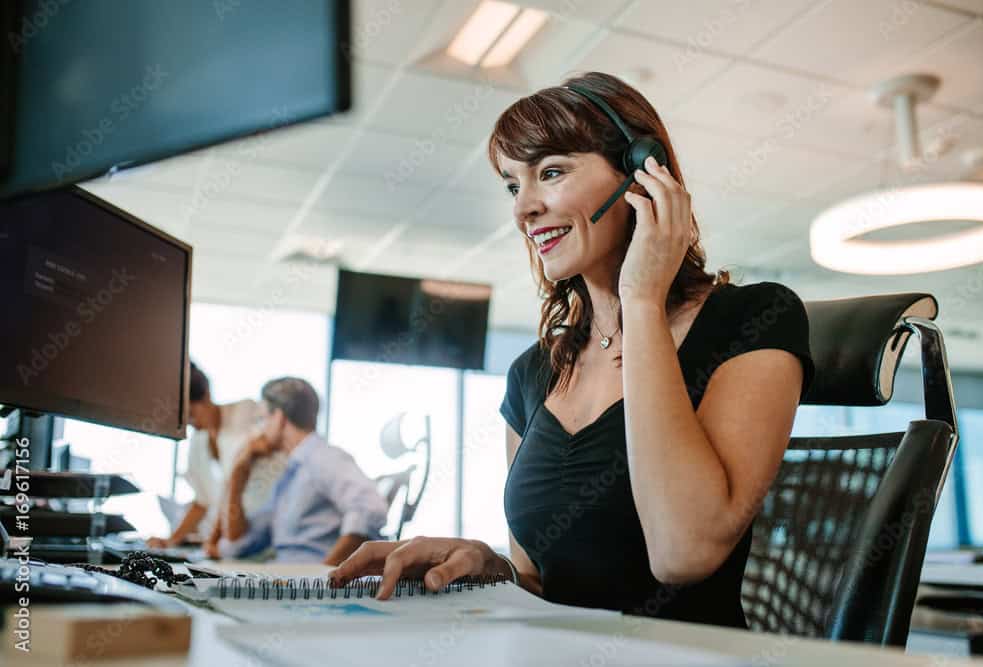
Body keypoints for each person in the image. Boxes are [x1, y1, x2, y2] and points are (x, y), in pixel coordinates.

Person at [331, 71, 814, 629]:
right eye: (514, 185)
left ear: (642, 174)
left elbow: (683, 552)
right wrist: (488, 565)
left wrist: (640, 300)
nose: (523, 210)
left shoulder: (754, 318)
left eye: (551, 172)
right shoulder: (532, 372)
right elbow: (538, 579)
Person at [217, 377, 388, 564]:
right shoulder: (291, 475)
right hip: (285, 578)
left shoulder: (323, 457)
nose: (259, 430)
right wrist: (238, 476)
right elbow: (239, 543)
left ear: (279, 418)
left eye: (262, 419)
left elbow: (370, 509)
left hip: (306, 585)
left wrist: (324, 578)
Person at [147, 362, 287, 554]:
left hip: (258, 534)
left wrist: (214, 540)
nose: (190, 423)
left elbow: (234, 484)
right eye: (184, 418)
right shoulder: (198, 441)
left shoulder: (246, 412)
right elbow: (201, 502)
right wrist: (171, 540)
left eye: (191, 414)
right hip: (224, 543)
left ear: (206, 397)